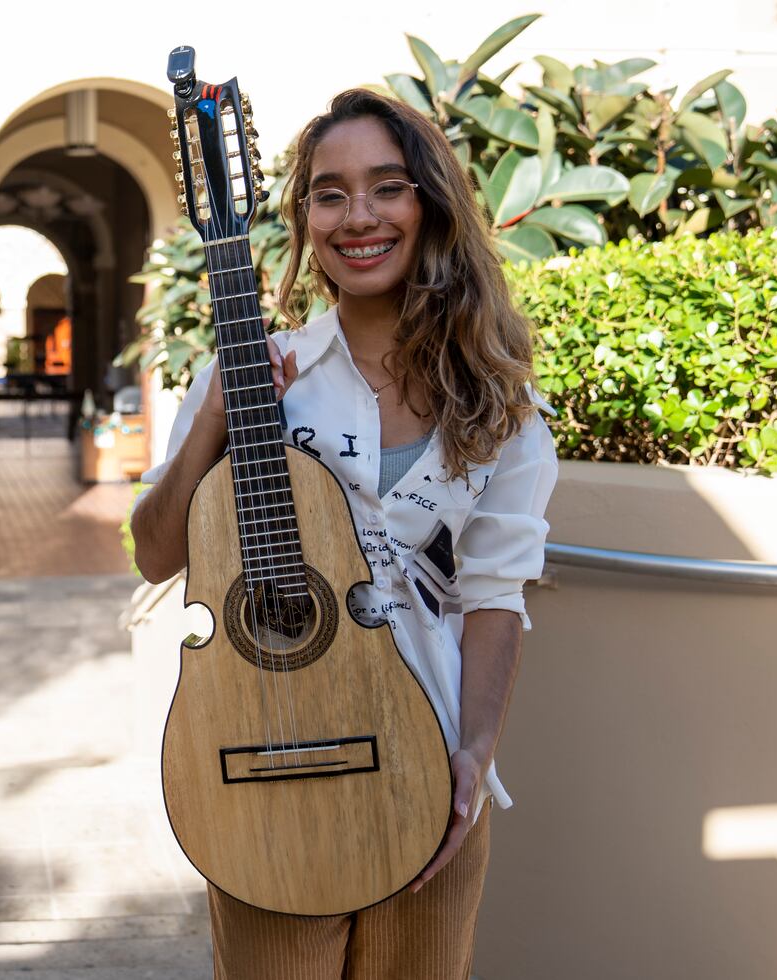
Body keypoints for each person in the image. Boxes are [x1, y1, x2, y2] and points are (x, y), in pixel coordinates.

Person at [131, 88, 559, 980]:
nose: (357, 216)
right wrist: (214, 411)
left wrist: (474, 759)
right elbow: (156, 552)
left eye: (386, 187)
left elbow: (493, 597)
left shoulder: (504, 412)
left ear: (430, 205)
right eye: (330, 193)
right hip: (261, 756)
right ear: (304, 217)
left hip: (425, 768)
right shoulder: (253, 379)